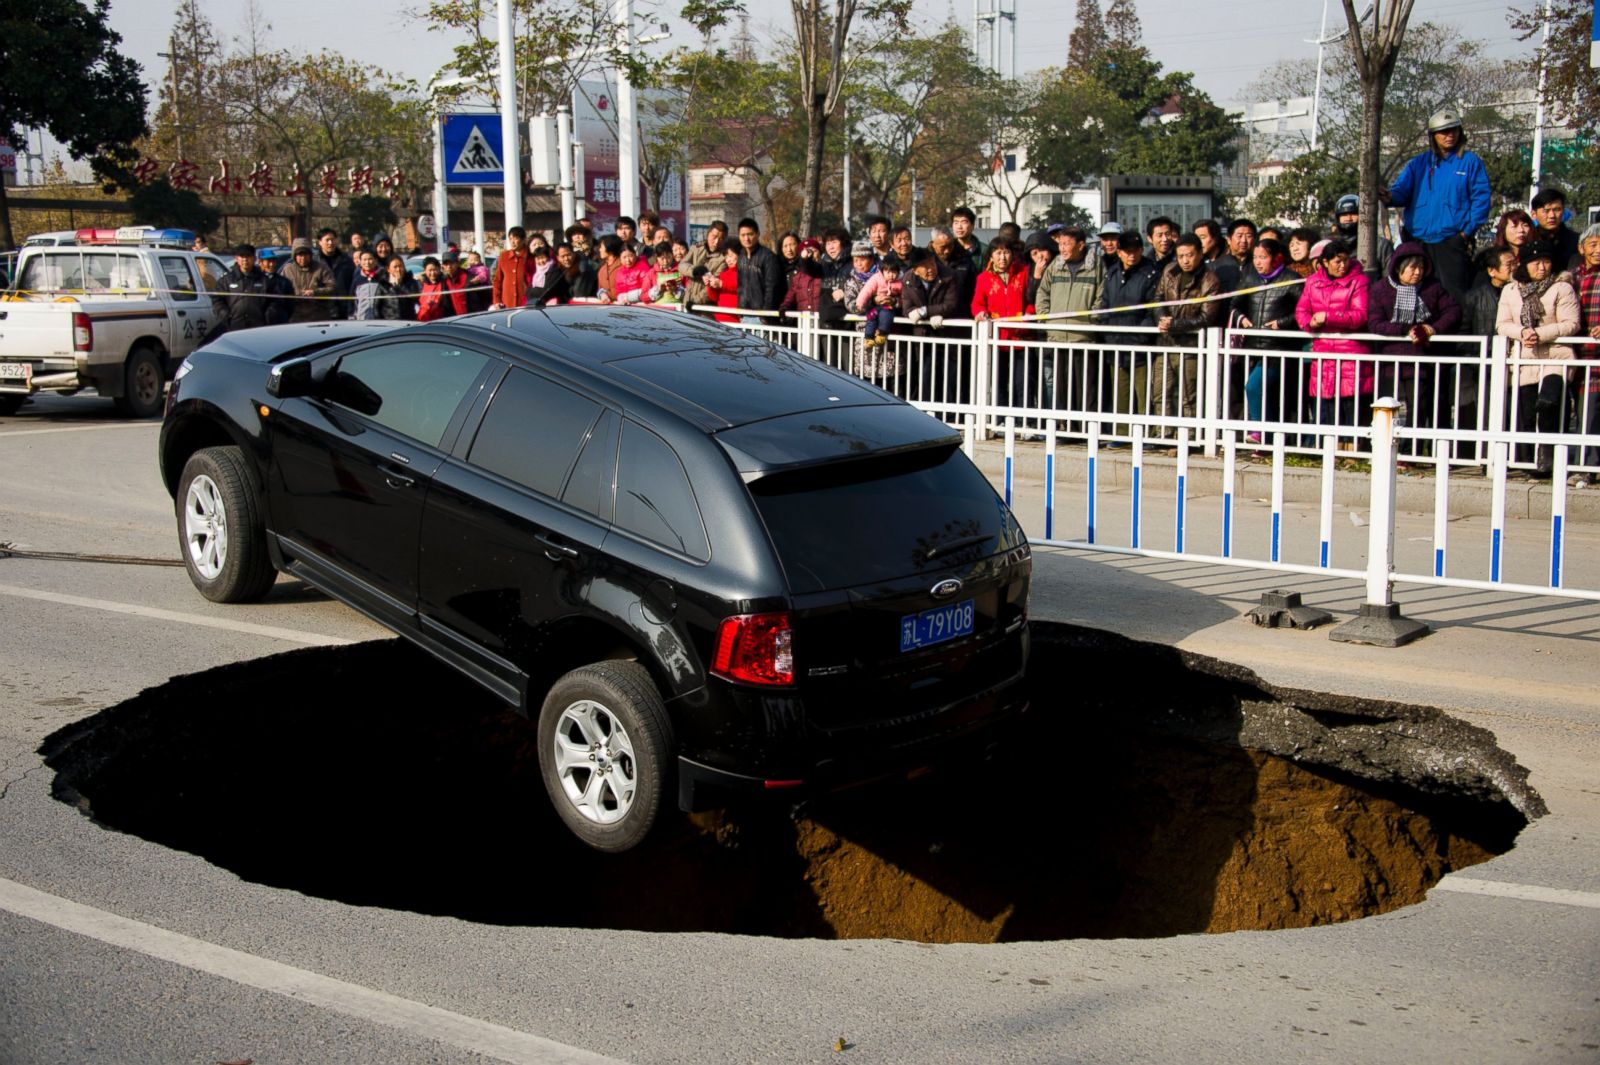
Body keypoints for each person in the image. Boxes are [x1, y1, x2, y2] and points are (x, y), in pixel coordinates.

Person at [1380, 109, 1491, 301]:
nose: (1450, 135)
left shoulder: (1470, 162)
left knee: (1453, 294)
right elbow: (1401, 192)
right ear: (1433, 136)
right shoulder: (1419, 163)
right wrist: (1389, 196)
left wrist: (1465, 233)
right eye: (1444, 132)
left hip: (1451, 240)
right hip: (1418, 238)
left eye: (1454, 130)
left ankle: (1454, 331)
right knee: (1414, 292)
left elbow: (1482, 200)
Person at [1497, 241, 1580, 477]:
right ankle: (1531, 462)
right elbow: (1502, 324)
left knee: (1550, 403)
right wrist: (1522, 333)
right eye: (1535, 262)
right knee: (1528, 410)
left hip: (1557, 356)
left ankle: (1552, 458)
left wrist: (1540, 334)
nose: (1542, 267)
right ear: (1524, 264)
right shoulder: (1510, 290)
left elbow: (1571, 323)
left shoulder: (1561, 287)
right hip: (1525, 359)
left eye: (1546, 261)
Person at [1368, 242, 1463, 441]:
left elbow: (1453, 311)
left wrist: (1432, 328)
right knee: (1387, 406)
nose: (1417, 272)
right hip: (1390, 360)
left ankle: (1412, 450)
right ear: (1398, 267)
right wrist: (1403, 329)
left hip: (1422, 359)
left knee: (1419, 406)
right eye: (1412, 267)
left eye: (1421, 267)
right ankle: (1384, 446)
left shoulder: (1433, 287)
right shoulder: (1380, 289)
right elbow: (1375, 323)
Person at [1295, 238, 1372, 438]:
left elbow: (1360, 316)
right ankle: (1329, 451)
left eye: (1345, 260)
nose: (1342, 265)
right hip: (1323, 352)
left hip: (1351, 352)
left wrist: (1329, 317)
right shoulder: (1312, 282)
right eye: (1337, 261)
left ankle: (1352, 451)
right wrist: (1309, 323)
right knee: (1326, 404)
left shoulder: (1359, 281)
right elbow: (1301, 310)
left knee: (1351, 406)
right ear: (1325, 263)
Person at [1232, 237, 1305, 436]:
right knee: (1265, 393)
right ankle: (1266, 438)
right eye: (1255, 257)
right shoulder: (1250, 278)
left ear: (1275, 258)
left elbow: (1303, 311)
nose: (1257, 262)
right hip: (1253, 346)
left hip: (1279, 348)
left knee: (1255, 387)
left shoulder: (1291, 278)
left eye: (1263, 257)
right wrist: (1241, 317)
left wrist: (1282, 323)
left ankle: (1260, 433)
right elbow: (1234, 304)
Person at [1153, 234, 1223, 426]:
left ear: (1200, 254)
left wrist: (1175, 324)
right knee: (1160, 392)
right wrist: (1162, 318)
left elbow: (1207, 317)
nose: (1185, 260)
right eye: (1181, 255)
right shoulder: (1169, 271)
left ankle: (1188, 437)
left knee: (1188, 396)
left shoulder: (1210, 280)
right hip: (1165, 342)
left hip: (1191, 346)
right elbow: (1157, 299)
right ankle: (1163, 435)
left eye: (1190, 255)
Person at [1098, 231, 1161, 430]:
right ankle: (1121, 433)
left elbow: (1153, 309)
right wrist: (1107, 330)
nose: (1131, 256)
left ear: (1142, 250)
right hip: (1115, 343)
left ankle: (1147, 433)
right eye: (1127, 252)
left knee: (1144, 393)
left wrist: (1142, 336)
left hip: (1140, 344)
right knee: (1120, 392)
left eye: (1135, 251)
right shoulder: (1112, 273)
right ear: (1119, 252)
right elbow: (1105, 304)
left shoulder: (1150, 274)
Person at [971, 238, 1031, 409]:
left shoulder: (1024, 273)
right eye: (998, 252)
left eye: (1006, 252)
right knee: (998, 382)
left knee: (1022, 382)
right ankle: (1000, 420)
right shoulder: (984, 278)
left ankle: (1023, 422)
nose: (1002, 257)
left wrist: (1029, 314)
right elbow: (977, 303)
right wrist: (980, 313)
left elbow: (1031, 300)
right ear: (991, 255)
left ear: (1012, 255)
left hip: (1021, 339)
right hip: (997, 339)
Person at [1572, 224, 1600, 485]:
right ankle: (1586, 466)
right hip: (1583, 359)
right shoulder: (1571, 277)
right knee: (1586, 416)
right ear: (1581, 249)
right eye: (1593, 244)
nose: (1598, 250)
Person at [1331, 195, 1392, 277]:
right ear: (1338, 218)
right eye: (1344, 214)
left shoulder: (1381, 245)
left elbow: (1390, 279)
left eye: (1353, 214)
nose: (1349, 218)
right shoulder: (1332, 246)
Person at [734, 217, 783, 319]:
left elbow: (772, 288)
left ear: (757, 234)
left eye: (750, 234)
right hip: (744, 314)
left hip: (761, 316)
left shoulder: (768, 257)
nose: (746, 239)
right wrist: (740, 310)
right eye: (743, 235)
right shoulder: (741, 257)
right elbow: (740, 286)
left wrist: (765, 315)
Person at [280, 238, 337, 323]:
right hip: (295, 317)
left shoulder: (321, 268)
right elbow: (280, 290)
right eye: (300, 255)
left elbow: (333, 287)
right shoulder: (288, 270)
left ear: (310, 255)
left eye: (305, 254)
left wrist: (315, 292)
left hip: (318, 316)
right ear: (294, 256)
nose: (303, 258)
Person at [855, 252, 904, 347]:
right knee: (871, 317)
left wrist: (895, 301)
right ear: (882, 271)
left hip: (888, 307)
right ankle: (868, 337)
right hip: (875, 306)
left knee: (886, 316)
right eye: (888, 272)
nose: (891, 275)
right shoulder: (876, 278)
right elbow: (866, 290)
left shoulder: (899, 283)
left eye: (894, 272)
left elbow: (904, 297)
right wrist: (860, 303)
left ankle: (882, 334)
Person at [683, 221, 729, 312]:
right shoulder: (696, 248)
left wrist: (695, 301)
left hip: (705, 307)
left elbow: (712, 285)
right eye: (714, 237)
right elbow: (682, 265)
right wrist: (694, 271)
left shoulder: (724, 259)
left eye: (721, 239)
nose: (716, 242)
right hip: (687, 300)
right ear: (708, 234)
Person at [1530, 187, 1581, 270]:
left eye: (1557, 210)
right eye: (1546, 211)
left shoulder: (1577, 241)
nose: (1552, 216)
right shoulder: (1528, 240)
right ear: (1533, 214)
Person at [534, 244, 599, 306]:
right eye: (563, 256)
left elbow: (579, 294)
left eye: (568, 255)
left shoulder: (583, 269)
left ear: (574, 254)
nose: (566, 259)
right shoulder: (559, 269)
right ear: (558, 258)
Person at [313, 228, 355, 319]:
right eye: (327, 240)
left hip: (344, 309)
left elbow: (353, 282)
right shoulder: (315, 262)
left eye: (332, 239)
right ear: (320, 242)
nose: (330, 243)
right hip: (322, 310)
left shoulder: (346, 260)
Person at [778, 239, 822, 315]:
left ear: (819, 253)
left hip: (821, 320)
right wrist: (784, 307)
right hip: (803, 320)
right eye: (806, 252)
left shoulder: (825, 271)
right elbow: (790, 296)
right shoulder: (797, 277)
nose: (809, 255)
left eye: (813, 251)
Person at [492, 226, 531, 309]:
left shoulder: (530, 256)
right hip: (507, 303)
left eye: (516, 238)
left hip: (526, 302)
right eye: (510, 239)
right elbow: (497, 280)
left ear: (524, 239)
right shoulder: (504, 256)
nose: (512, 242)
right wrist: (497, 301)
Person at [256, 248, 293, 325]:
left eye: (273, 261)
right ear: (260, 263)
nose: (271, 264)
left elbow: (290, 304)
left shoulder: (284, 282)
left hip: (279, 322)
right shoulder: (255, 281)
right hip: (259, 322)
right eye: (268, 261)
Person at [707, 245, 742, 323]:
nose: (728, 260)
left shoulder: (744, 272)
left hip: (736, 318)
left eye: (731, 256)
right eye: (726, 257)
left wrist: (721, 284)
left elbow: (740, 286)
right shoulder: (723, 274)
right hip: (720, 317)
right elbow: (714, 298)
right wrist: (711, 285)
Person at [379, 255, 420, 320]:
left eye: (400, 266)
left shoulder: (411, 282)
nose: (398, 269)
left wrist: (399, 284)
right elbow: (377, 306)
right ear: (388, 269)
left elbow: (415, 297)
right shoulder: (383, 284)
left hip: (408, 320)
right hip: (389, 321)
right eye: (395, 267)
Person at [416, 257, 456, 321]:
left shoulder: (445, 282)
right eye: (430, 270)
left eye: (435, 270)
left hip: (441, 321)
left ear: (439, 269)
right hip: (422, 321)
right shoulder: (420, 283)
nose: (432, 273)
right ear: (425, 270)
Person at [350, 248, 385, 320]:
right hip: (361, 319)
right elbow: (352, 301)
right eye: (364, 260)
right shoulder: (357, 280)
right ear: (360, 261)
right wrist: (351, 316)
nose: (367, 262)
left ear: (376, 261)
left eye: (370, 259)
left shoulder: (382, 278)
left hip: (380, 319)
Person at [594, 234, 624, 303]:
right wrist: (602, 295)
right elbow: (600, 289)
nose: (599, 250)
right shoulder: (602, 270)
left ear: (609, 247)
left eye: (601, 247)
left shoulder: (624, 265)